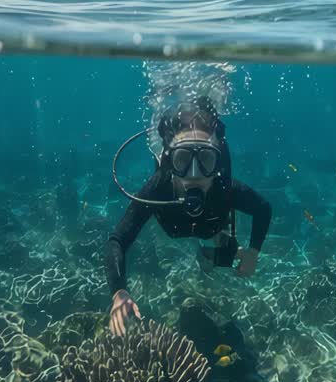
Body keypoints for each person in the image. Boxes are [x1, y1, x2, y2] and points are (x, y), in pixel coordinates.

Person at [106, 100, 272, 336]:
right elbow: (118, 240)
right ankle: (217, 243)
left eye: (206, 160)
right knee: (214, 252)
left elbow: (263, 209)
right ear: (170, 161)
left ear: (217, 163)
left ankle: (217, 244)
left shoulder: (224, 188)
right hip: (192, 226)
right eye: (183, 159)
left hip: (211, 226)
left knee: (213, 261)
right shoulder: (159, 187)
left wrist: (253, 252)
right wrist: (119, 292)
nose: (194, 174)